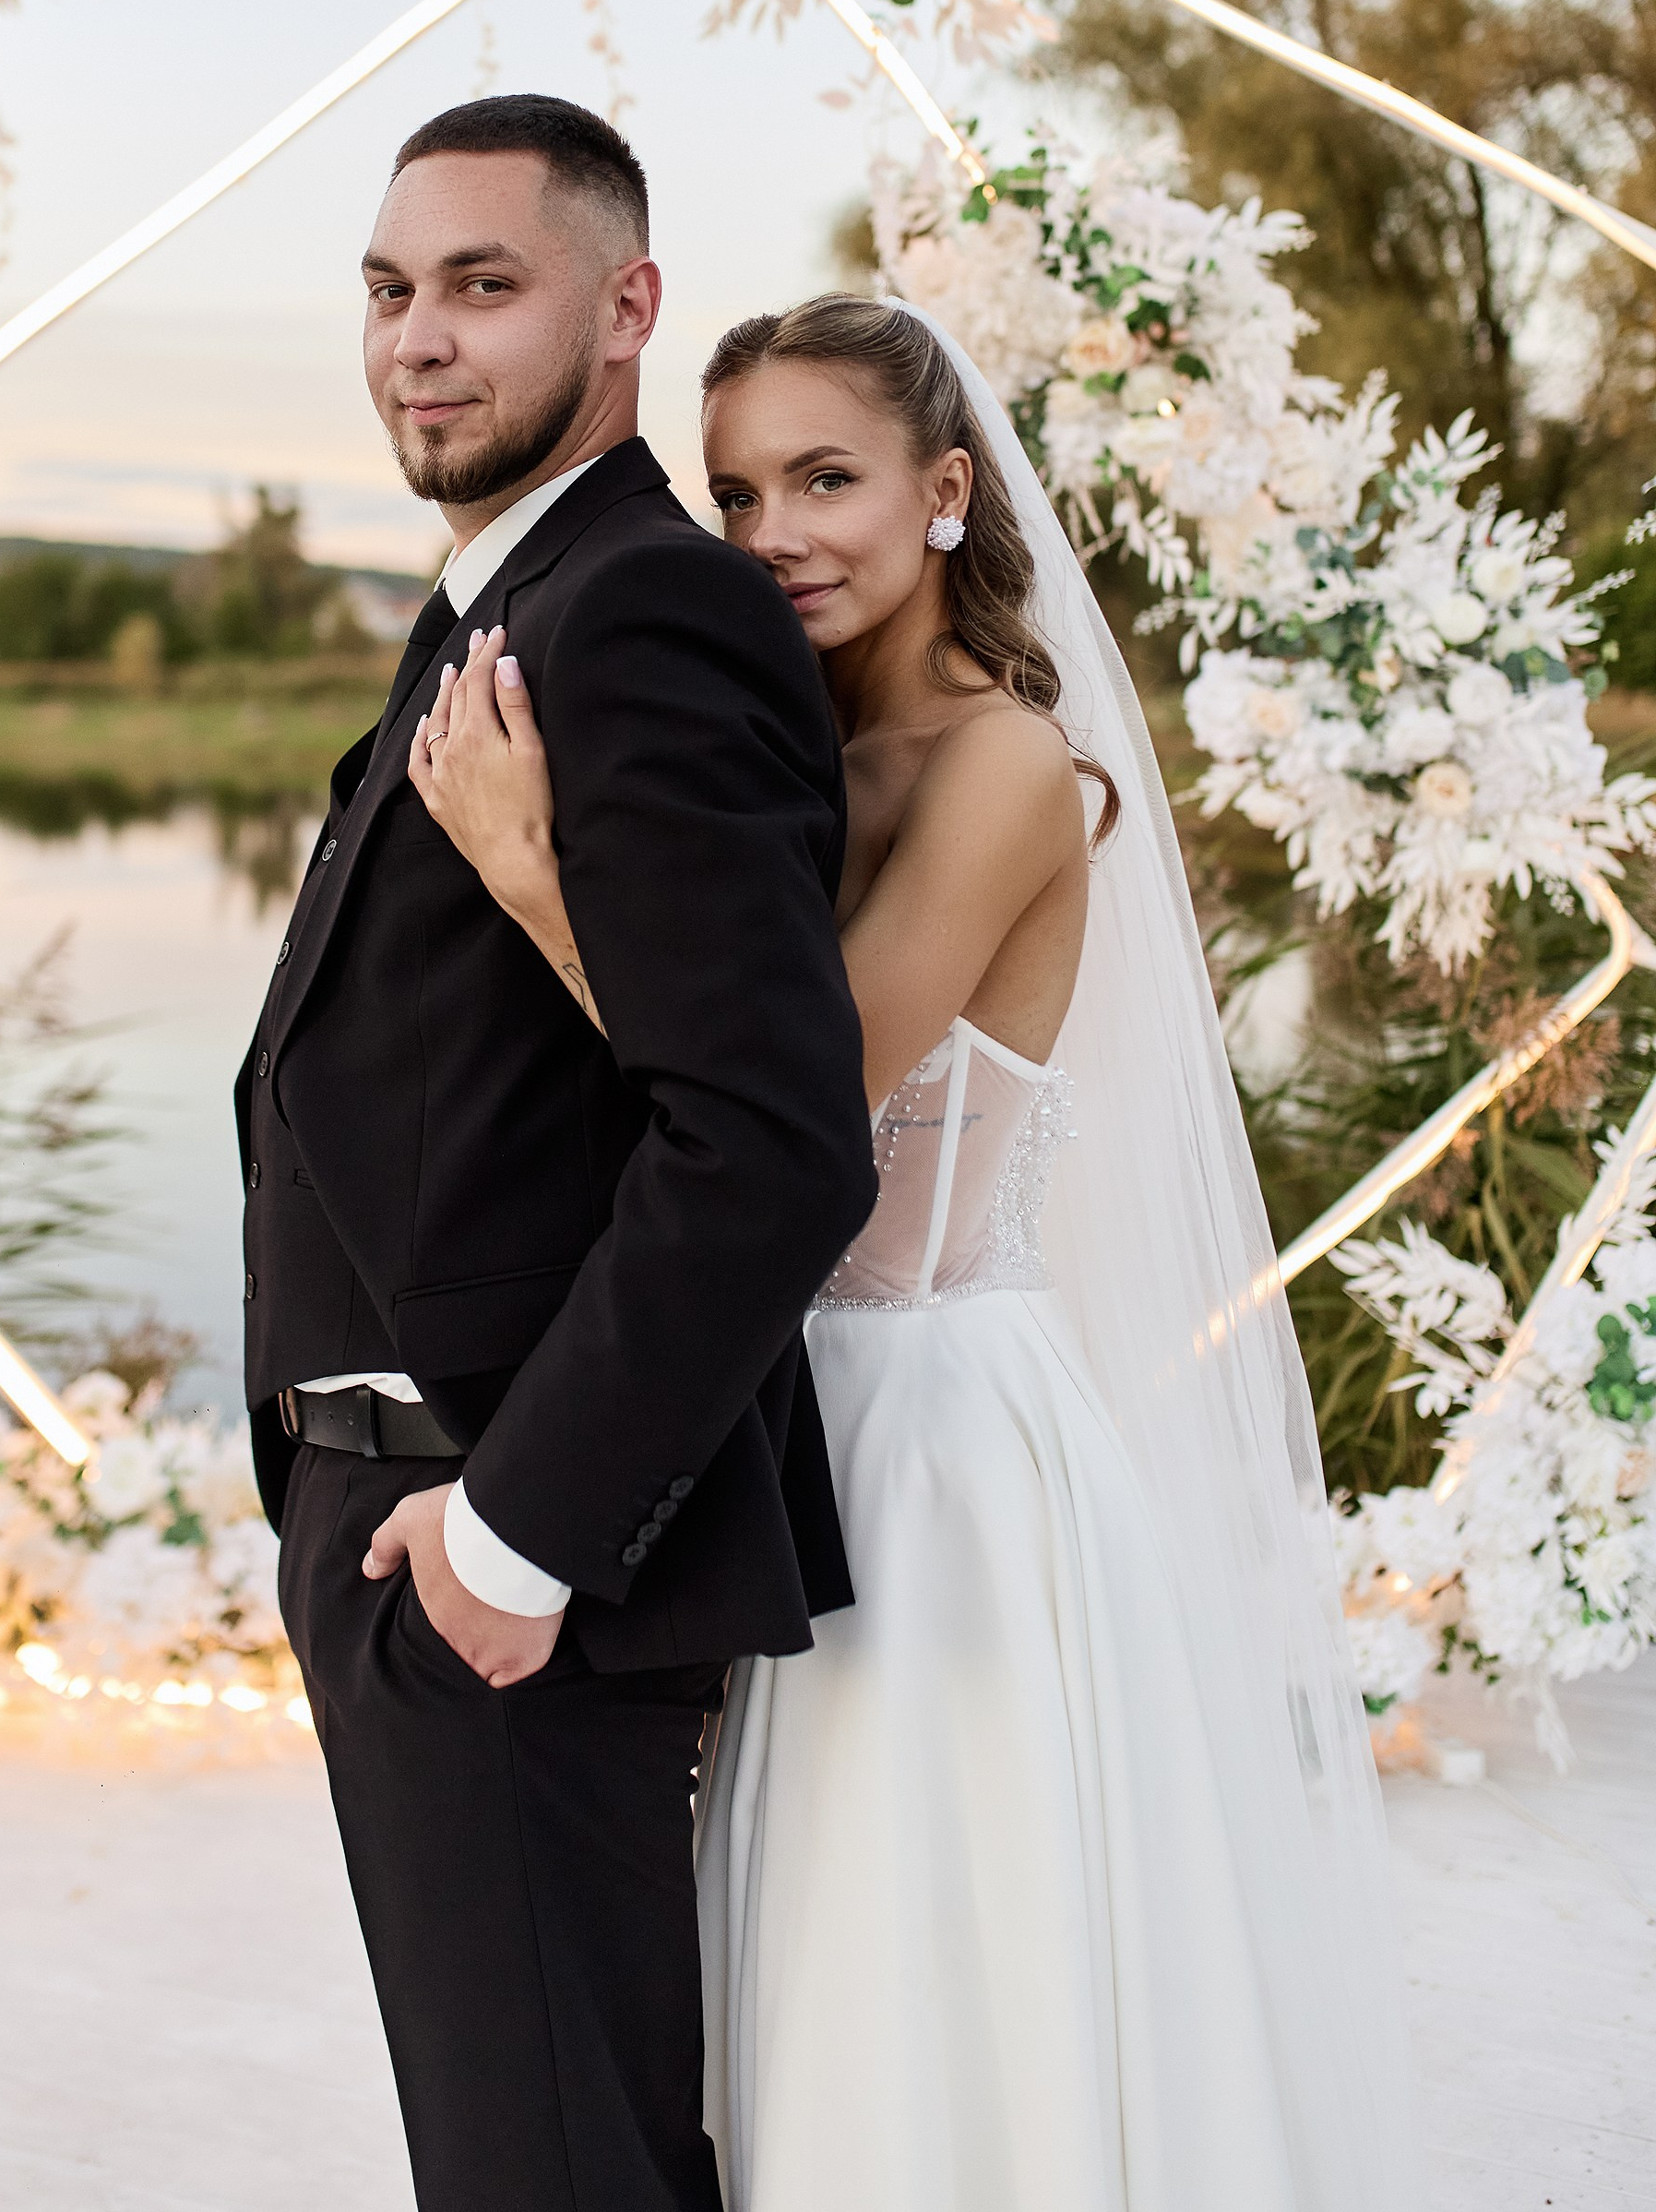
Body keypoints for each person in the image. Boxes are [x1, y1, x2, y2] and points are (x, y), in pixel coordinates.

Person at [416, 293, 1416, 2212]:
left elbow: (797, 1103)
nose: (773, 530)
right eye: (732, 494)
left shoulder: (1006, 768)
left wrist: (538, 883)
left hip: (941, 1439)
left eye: (826, 479)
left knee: (954, 1951)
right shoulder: (773, 754)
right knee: (800, 1967)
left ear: (946, 491)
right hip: (765, 1411)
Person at [237, 98, 877, 2212]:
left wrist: (513, 1541)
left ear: (626, 315)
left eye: (482, 287)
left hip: (512, 1548)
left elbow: (770, 1140)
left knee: (557, 2172)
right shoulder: (495, 604)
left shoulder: (647, 616)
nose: (417, 338)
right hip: (402, 1513)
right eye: (390, 289)